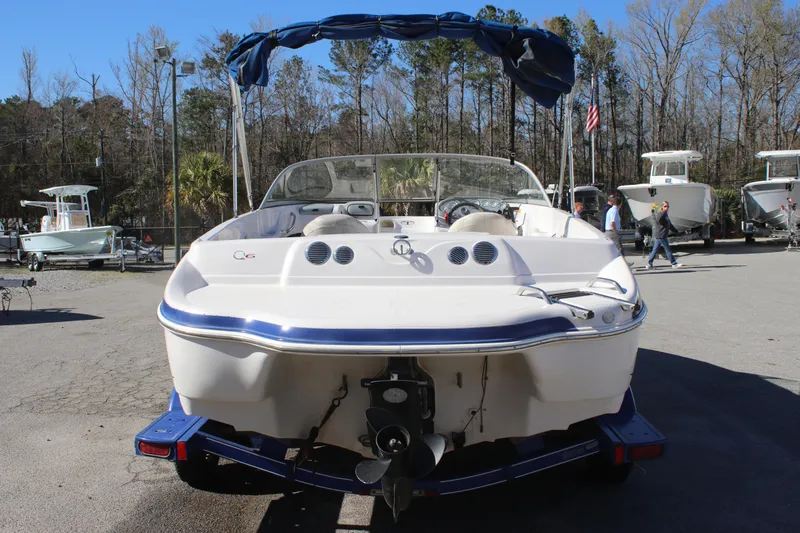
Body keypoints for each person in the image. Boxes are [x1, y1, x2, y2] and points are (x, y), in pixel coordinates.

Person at [646, 201, 682, 269]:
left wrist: (676, 231)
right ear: (662, 207)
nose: (667, 208)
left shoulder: (665, 215)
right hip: (661, 235)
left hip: (661, 235)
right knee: (668, 250)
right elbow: (658, 219)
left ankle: (649, 264)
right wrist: (660, 211)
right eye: (665, 206)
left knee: (655, 250)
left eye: (668, 206)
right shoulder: (661, 214)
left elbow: (670, 225)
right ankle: (674, 263)